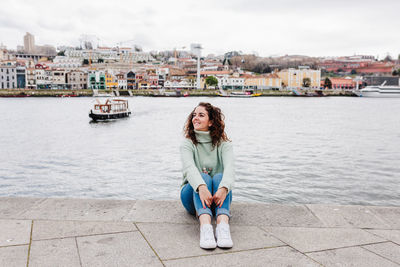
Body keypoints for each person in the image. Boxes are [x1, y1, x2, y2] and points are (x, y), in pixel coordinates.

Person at [180, 102, 235, 249]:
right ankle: (206, 229)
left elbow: (230, 168)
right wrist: (201, 187)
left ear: (211, 122)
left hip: (218, 198)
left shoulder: (224, 144)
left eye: (201, 115)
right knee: (203, 177)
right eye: (194, 115)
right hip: (192, 196)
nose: (195, 118)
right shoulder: (188, 143)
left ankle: (223, 227)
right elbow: (189, 168)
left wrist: (223, 188)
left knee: (219, 177)